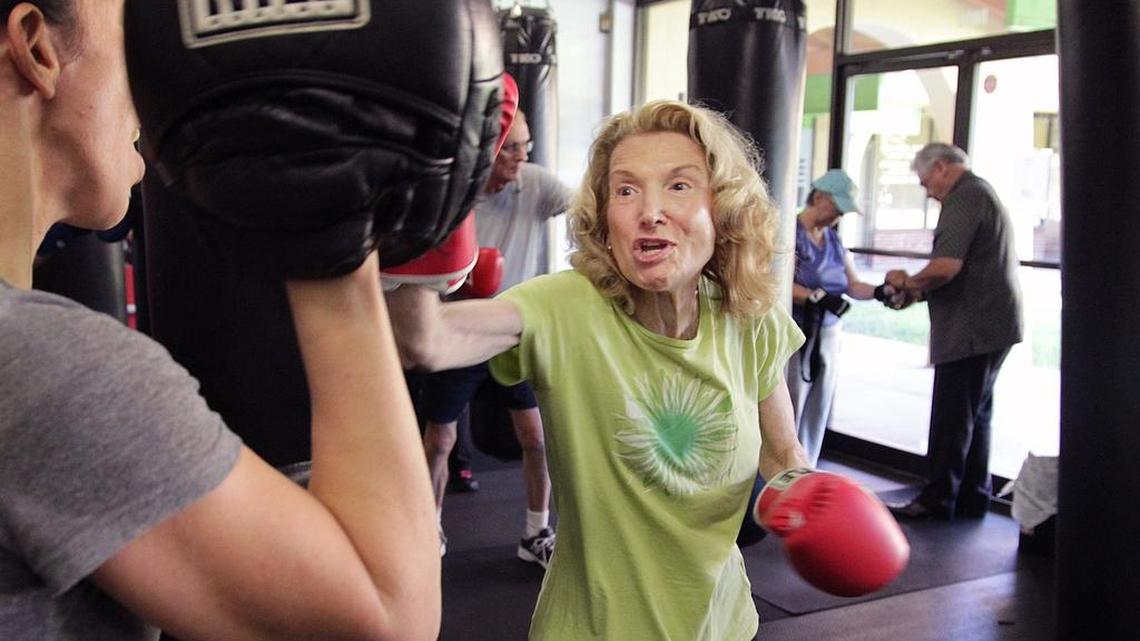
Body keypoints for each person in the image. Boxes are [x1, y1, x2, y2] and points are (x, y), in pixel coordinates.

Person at [0, 1, 459, 639]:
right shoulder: (40, 365)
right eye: (132, 36)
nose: (155, 90)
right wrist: (325, 224)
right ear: (36, 47)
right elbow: (389, 617)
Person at [390, 100, 812, 640]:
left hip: (722, 625)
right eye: (626, 189)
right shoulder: (565, 307)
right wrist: (425, 207)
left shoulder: (747, 318)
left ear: (722, 207)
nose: (650, 210)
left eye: (679, 186)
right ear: (604, 214)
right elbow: (424, 342)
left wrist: (809, 499)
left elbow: (781, 451)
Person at [415, 109, 572, 564]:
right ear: (487, 152)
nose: (523, 157)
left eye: (527, 146)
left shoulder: (536, 184)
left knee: (537, 438)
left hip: (513, 334)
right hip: (459, 331)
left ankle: (534, 534)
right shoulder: (454, 196)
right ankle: (428, 530)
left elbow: (592, 208)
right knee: (439, 441)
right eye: (513, 148)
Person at [884, 142, 1023, 520]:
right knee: (976, 415)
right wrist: (917, 290)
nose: (927, 191)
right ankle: (973, 495)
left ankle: (937, 497)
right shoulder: (984, 193)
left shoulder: (964, 197)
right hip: (996, 324)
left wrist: (909, 281)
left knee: (952, 415)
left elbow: (946, 266)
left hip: (972, 327)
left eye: (926, 181)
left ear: (943, 168)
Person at [787, 169, 892, 465]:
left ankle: (807, 468)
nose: (839, 216)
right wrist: (815, 296)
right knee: (792, 403)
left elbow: (853, 284)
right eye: (837, 208)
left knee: (818, 406)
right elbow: (776, 281)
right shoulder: (789, 233)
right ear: (819, 197)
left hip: (829, 333)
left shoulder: (833, 239)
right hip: (797, 330)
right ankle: (783, 474)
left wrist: (880, 292)